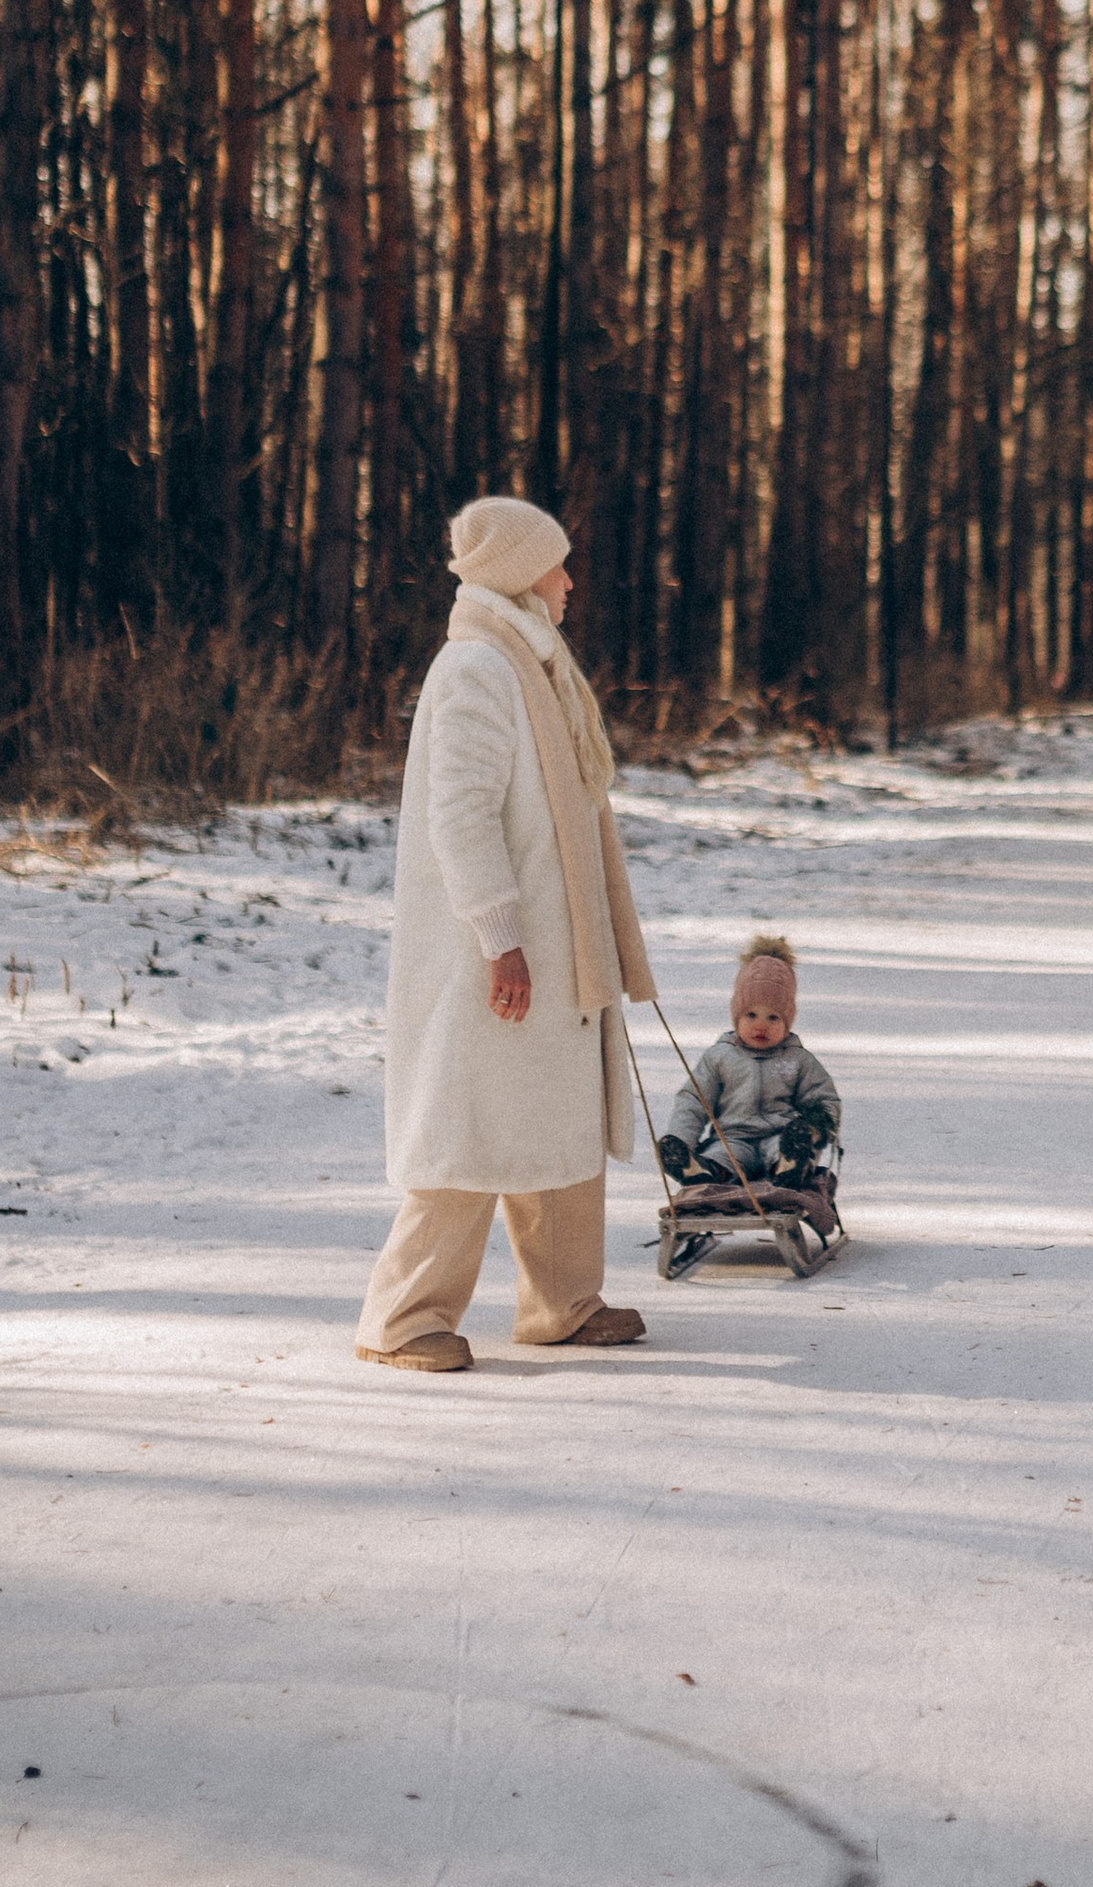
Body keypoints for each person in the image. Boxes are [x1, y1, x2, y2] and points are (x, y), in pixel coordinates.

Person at [355, 497, 658, 1375]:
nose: (570, 581)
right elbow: (460, 815)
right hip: (492, 951)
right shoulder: (477, 670)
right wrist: (500, 935)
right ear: (523, 573)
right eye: (557, 565)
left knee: (557, 1117)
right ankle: (401, 1317)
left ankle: (563, 1302)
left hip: (556, 942)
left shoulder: (533, 661)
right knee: (471, 1121)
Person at [656, 937, 841, 1274]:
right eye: (751, 1014)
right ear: (736, 1014)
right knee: (723, 1157)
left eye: (773, 1017)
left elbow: (824, 1100)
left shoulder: (799, 1061)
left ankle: (789, 1166)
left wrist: (813, 1128)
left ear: (788, 1020)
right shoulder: (719, 1058)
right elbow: (693, 1101)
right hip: (732, 1139)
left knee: (785, 1147)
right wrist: (681, 1138)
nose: (761, 1025)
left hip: (780, 1136)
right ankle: (701, 1171)